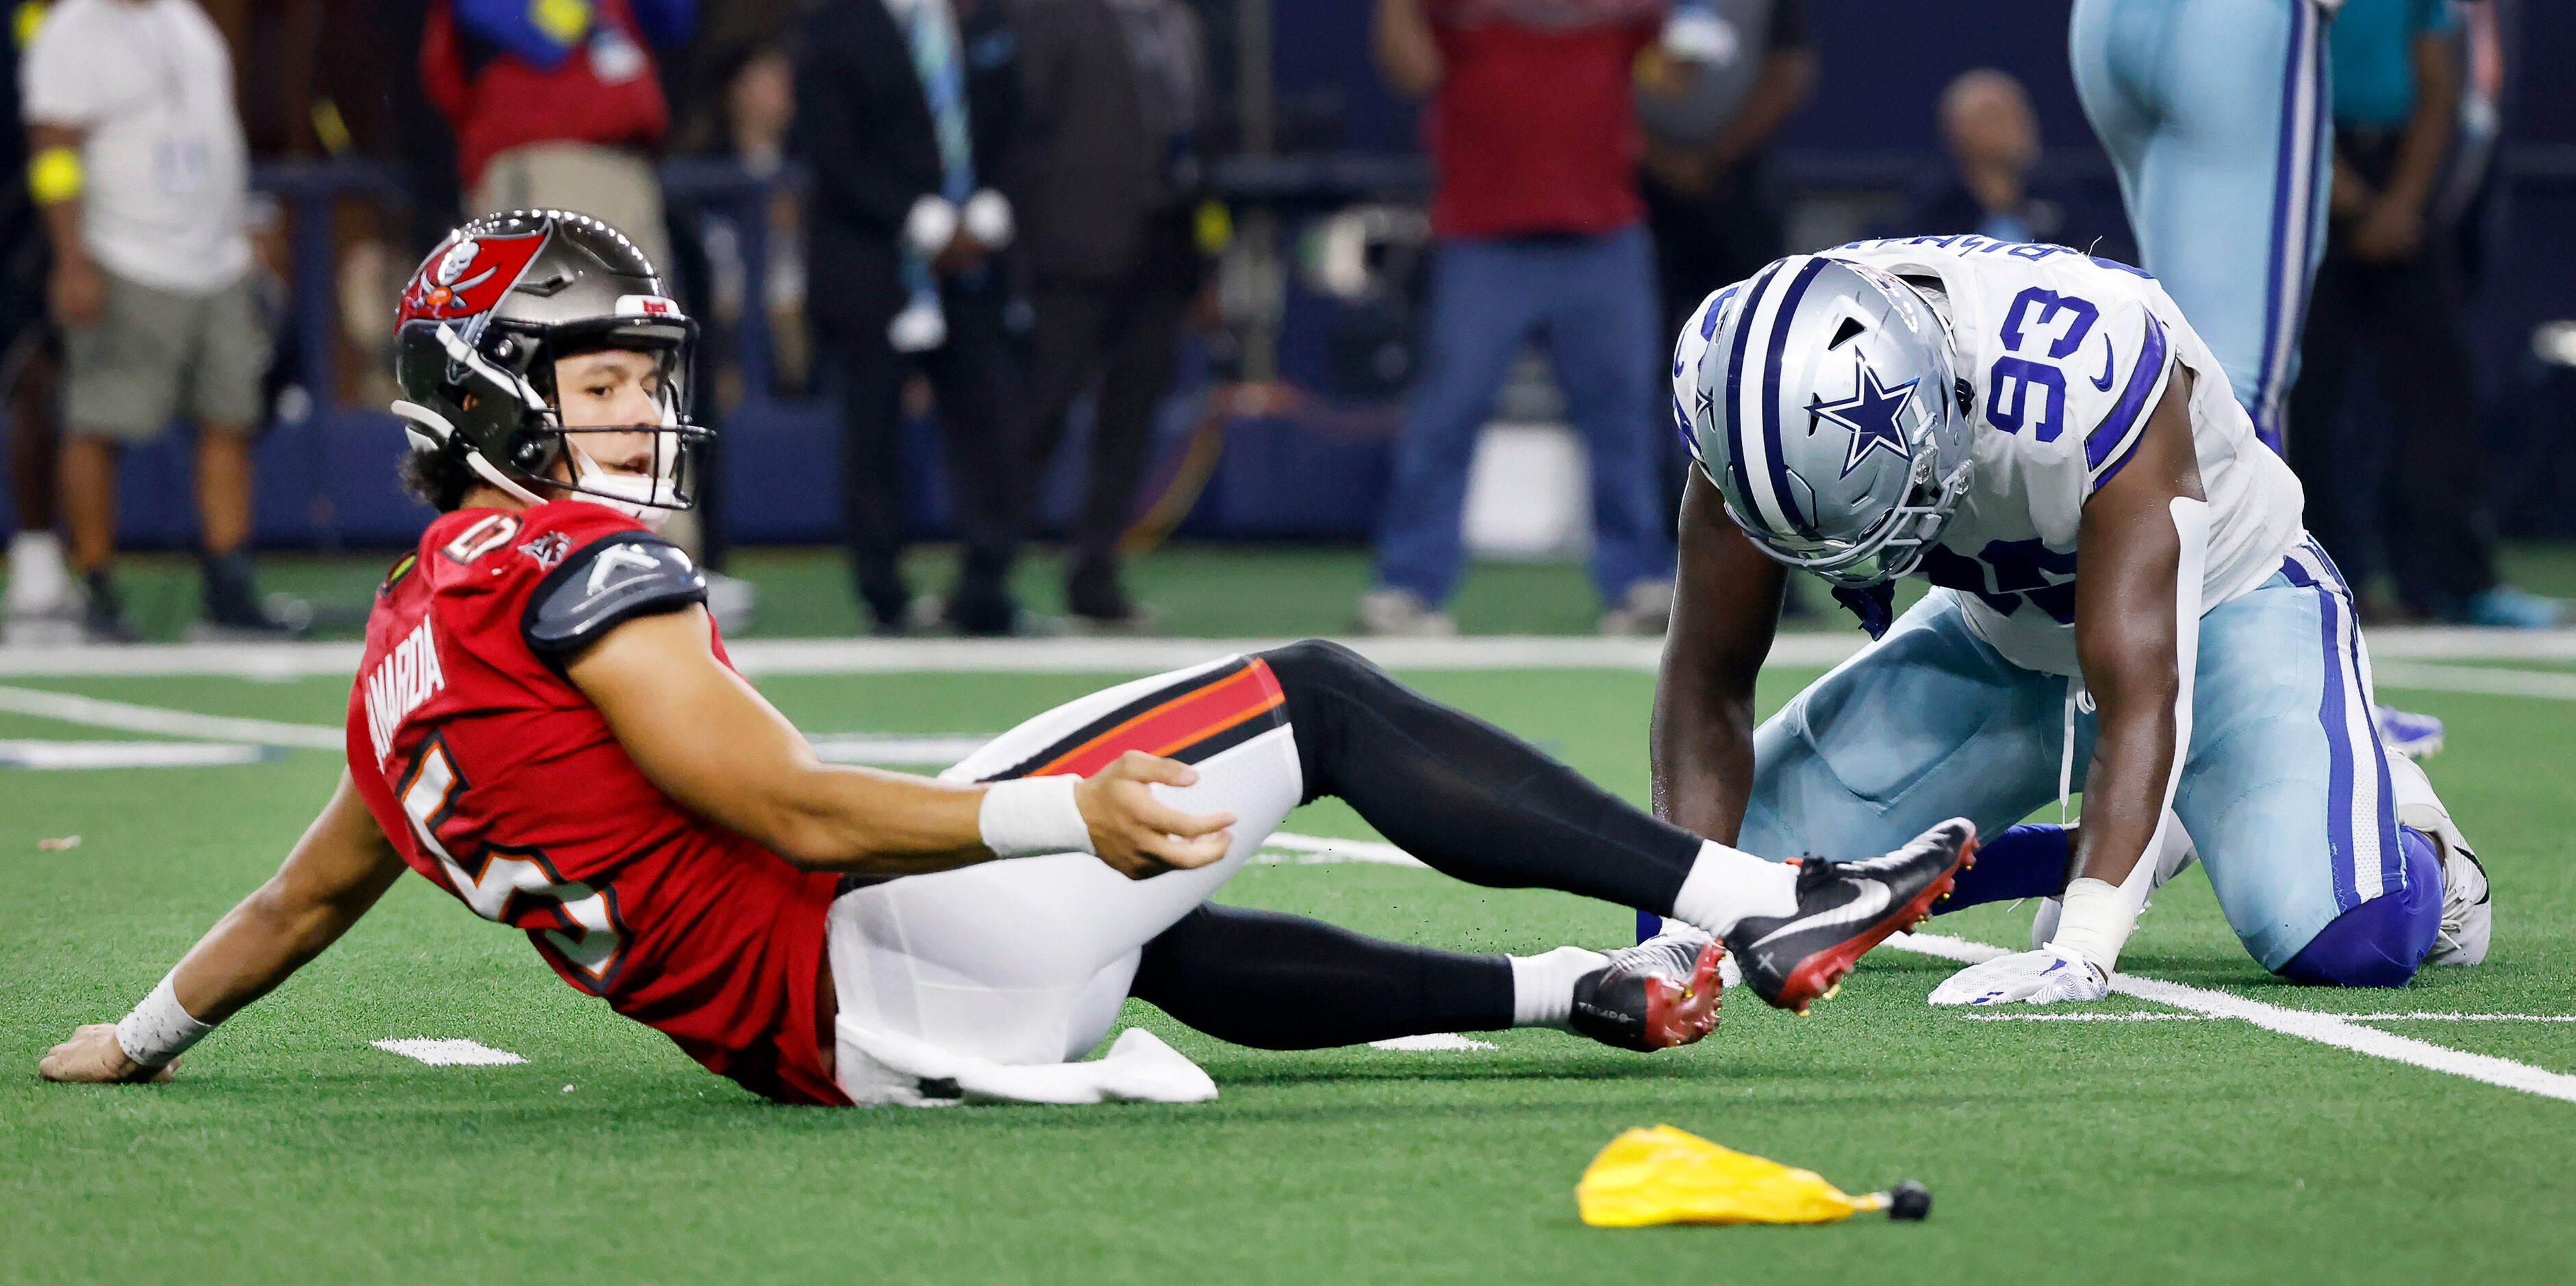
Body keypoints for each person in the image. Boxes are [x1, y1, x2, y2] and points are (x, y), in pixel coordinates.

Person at [35, 210, 1978, 1102]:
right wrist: (1066, 805)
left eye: (640, 380)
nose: (636, 418)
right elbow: (790, 812)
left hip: (835, 1049)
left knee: (1151, 920)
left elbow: (301, 898)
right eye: (606, 383)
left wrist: (148, 1030)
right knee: (1319, 691)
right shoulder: (565, 572)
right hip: (879, 972)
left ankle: (1577, 991)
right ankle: (1762, 896)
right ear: (491, 409)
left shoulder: (404, 657)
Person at [1654, 239, 2491, 1007]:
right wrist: (1686, 936)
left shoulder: (2086, 368)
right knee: (1708, 902)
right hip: (2000, 634)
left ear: (1944, 410)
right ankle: (2123, 833)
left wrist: (2087, 943)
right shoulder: (1745, 391)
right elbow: (1707, 674)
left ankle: (2409, 828)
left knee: (2351, 935)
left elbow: (2142, 687)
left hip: (2223, 610)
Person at [2069, 0, 2459, 755]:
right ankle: (2279, 706)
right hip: (2233, 27)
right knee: (2237, 392)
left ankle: (2136, 678)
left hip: (2106, 22)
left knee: (2169, 367)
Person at [1359, 0, 1678, 638]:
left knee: (1621, 414)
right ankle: (1408, 585)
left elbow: (1675, 78)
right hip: (1483, 237)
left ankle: (1641, 580)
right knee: (1448, 411)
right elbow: (1412, 71)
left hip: (1602, 232)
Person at [20, 0, 294, 642]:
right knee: (99, 424)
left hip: (216, 261)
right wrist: (72, 259)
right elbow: (53, 148)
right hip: (124, 254)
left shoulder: (189, 23)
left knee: (229, 418)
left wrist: (244, 223)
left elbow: (218, 139)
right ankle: (99, 592)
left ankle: (228, 593)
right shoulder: (72, 28)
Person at [2286, 0, 2558, 629]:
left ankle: (2455, 583)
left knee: (2441, 387)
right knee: (2306, 392)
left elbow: (2439, 82)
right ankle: (2320, 581)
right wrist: (2341, 192)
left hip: (2403, 177)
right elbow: (2279, 83)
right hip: (2305, 168)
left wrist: (2400, 204)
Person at [796, 0, 1029, 636]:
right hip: (872, 268)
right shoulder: (836, 26)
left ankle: (986, 589)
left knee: (989, 426)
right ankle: (885, 597)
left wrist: (990, 205)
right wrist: (913, 218)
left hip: (972, 271)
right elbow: (831, 149)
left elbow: (1014, 121)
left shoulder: (979, 20)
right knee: (873, 436)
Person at [1012, 0, 1213, 633]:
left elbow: (1196, 135)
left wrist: (1204, 259)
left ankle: (1094, 573)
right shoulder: (1055, 16)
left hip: (1164, 243)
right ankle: (986, 573)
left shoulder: (1179, 22)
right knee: (1039, 411)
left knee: (1131, 416)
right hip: (1074, 247)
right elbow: (1024, 131)